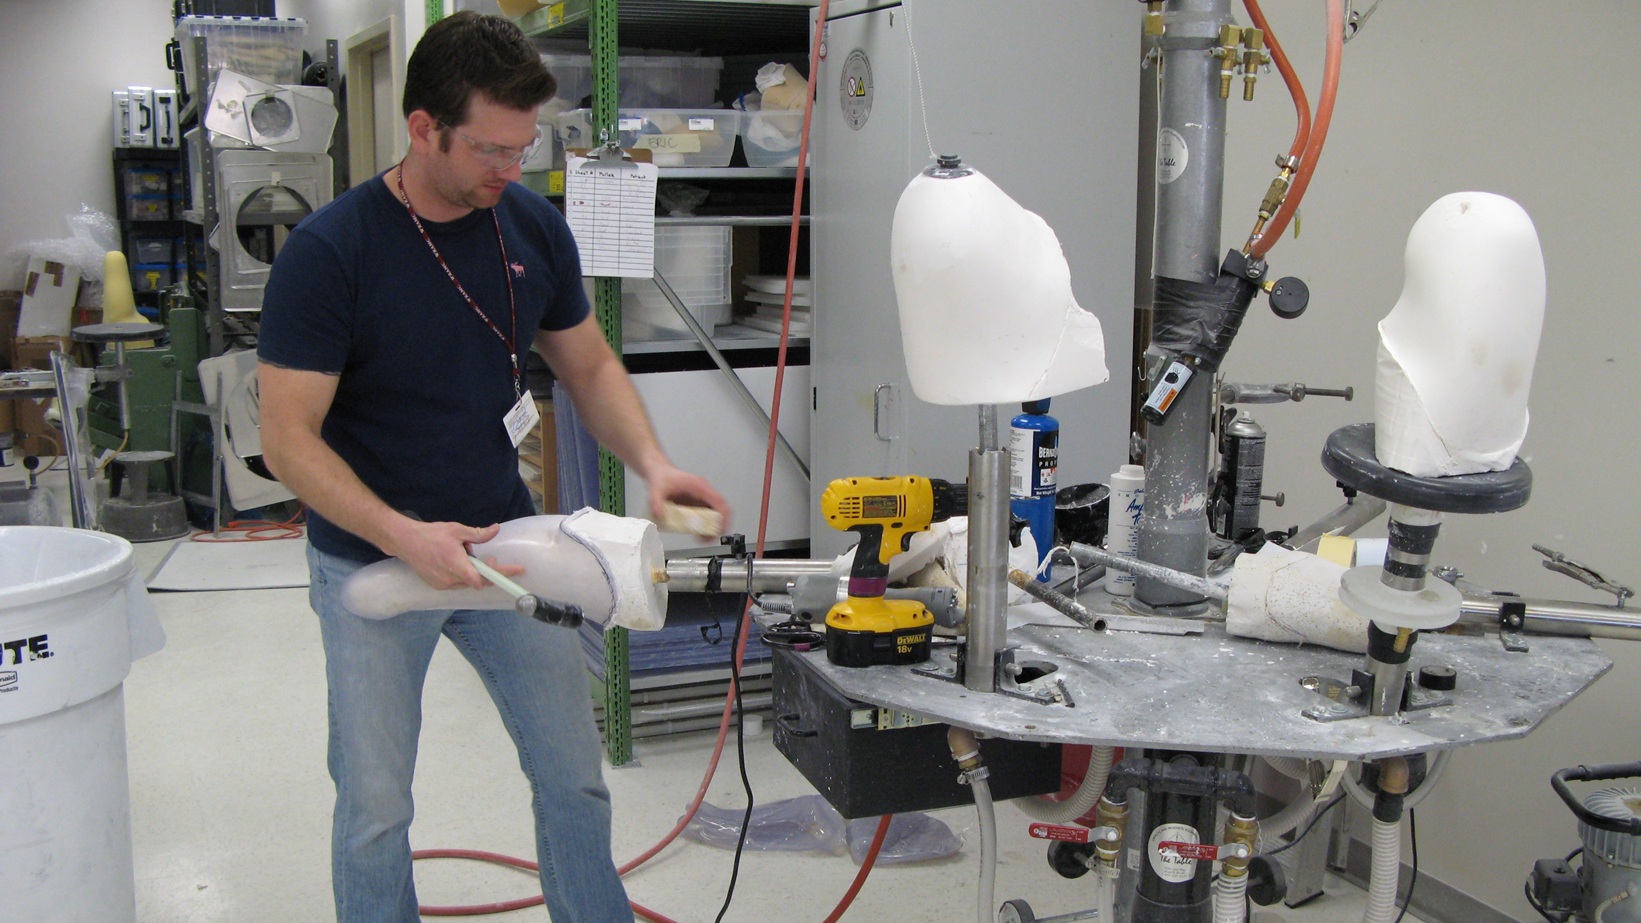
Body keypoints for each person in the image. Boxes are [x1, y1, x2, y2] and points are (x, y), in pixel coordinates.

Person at [256, 12, 729, 922]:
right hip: (373, 557)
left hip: (505, 543)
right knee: (375, 806)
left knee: (572, 779)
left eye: (522, 148)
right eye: (487, 149)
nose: (508, 170)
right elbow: (289, 440)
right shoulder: (330, 254)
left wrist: (654, 463)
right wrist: (401, 534)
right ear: (422, 127)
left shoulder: (529, 223)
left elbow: (586, 362)